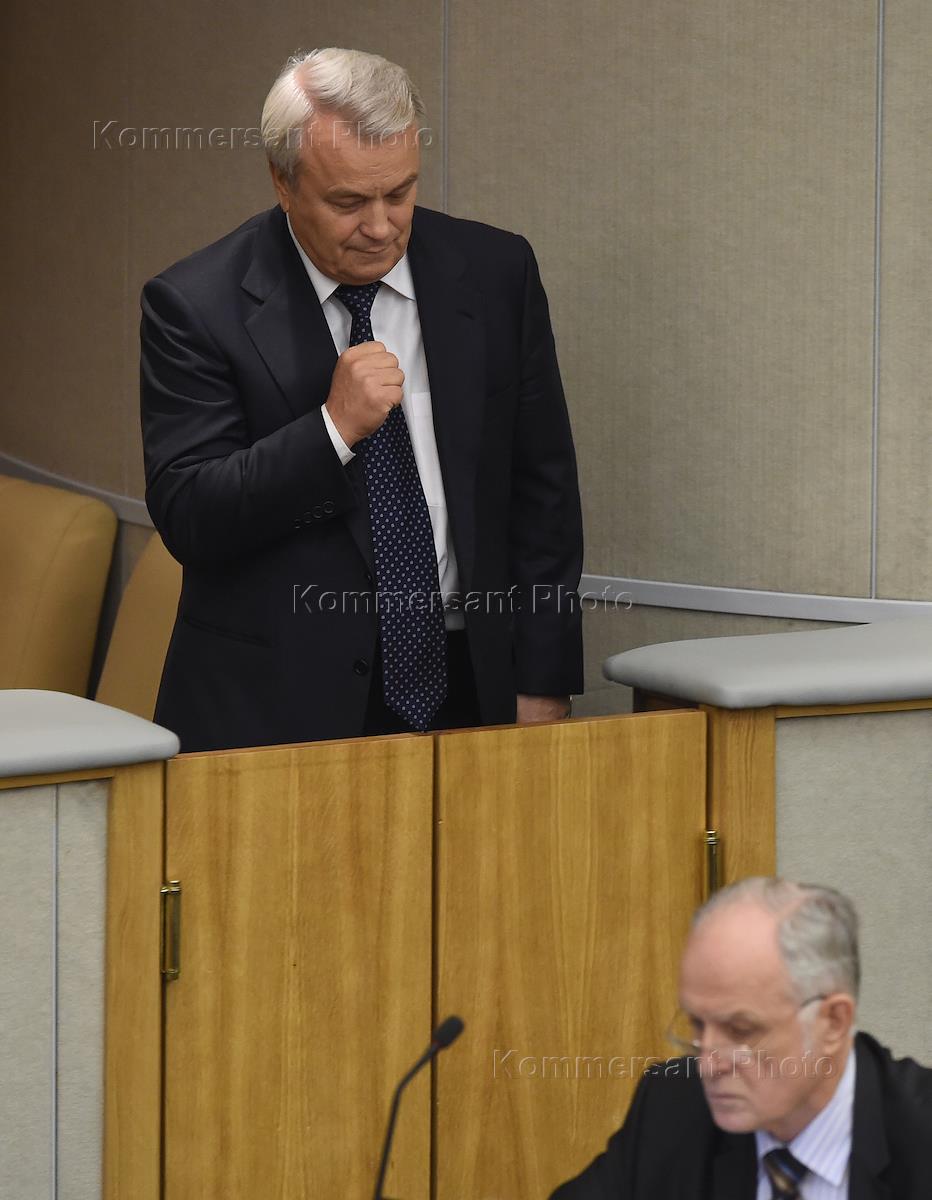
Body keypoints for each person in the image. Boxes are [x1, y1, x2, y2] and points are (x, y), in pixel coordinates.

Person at [141, 48, 583, 752]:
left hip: (471, 686)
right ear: (283, 182)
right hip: (279, 706)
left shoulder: (497, 272)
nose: (381, 226)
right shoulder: (196, 305)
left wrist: (542, 676)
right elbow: (191, 516)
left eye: (400, 193)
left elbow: (543, 490)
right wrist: (332, 430)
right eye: (348, 203)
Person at [551, 878, 932, 1198]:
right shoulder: (672, 1108)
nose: (709, 1064)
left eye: (740, 1031)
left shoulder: (919, 1136)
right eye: (698, 1024)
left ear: (833, 1022)